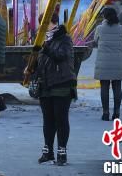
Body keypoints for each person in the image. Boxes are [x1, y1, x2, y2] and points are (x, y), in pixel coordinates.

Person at [35, 24, 76, 166]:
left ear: (54, 24)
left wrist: (45, 48)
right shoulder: (44, 40)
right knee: (48, 120)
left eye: (46, 23)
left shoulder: (65, 40)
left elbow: (60, 56)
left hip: (62, 84)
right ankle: (48, 151)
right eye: (42, 24)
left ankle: (62, 151)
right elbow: (40, 62)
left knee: (61, 119)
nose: (43, 27)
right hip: (45, 86)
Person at [94, 7, 122, 121]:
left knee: (104, 87)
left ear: (104, 16)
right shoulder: (121, 28)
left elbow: (95, 41)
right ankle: (117, 112)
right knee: (117, 87)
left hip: (104, 62)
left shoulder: (99, 28)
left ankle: (105, 113)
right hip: (118, 62)